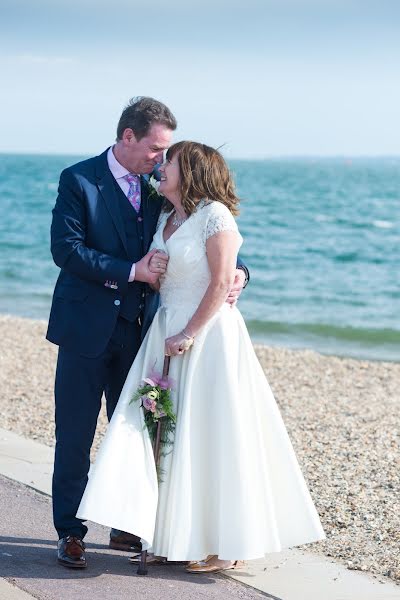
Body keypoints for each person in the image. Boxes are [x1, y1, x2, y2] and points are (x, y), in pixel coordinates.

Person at [77, 141, 325, 573]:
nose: (160, 167)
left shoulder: (215, 215)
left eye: (168, 160)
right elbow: (168, 276)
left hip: (206, 339)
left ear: (188, 170)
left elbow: (220, 281)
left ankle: (226, 543)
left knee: (212, 434)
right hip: (164, 333)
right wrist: (151, 272)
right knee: (165, 435)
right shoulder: (165, 216)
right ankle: (171, 535)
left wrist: (191, 332)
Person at [47, 99, 249, 569]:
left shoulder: (161, 191)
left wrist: (241, 273)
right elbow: (67, 250)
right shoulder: (78, 180)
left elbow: (203, 234)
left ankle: (127, 525)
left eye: (165, 153)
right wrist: (132, 270)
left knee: (141, 433)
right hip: (85, 331)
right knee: (74, 434)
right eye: (155, 149)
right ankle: (71, 533)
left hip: (143, 338)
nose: (161, 160)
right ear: (127, 137)